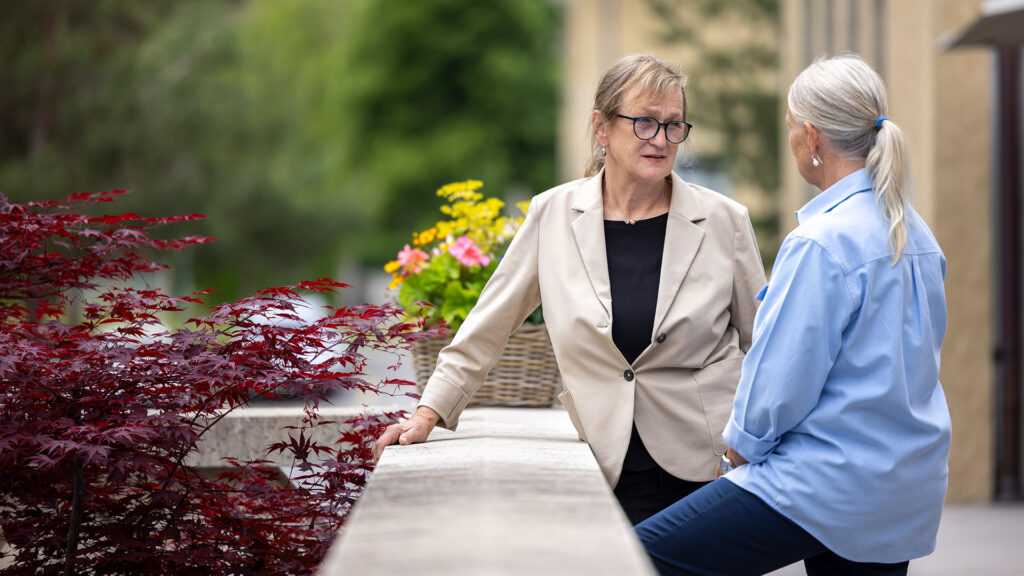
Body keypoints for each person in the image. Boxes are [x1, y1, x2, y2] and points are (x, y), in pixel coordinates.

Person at [373, 54, 766, 525]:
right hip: (608, 464)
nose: (661, 139)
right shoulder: (552, 215)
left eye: (673, 125)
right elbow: (488, 323)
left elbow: (765, 345)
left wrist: (750, 443)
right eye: (644, 122)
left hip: (710, 466)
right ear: (602, 128)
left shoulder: (726, 220)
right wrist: (428, 412)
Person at [634, 53, 952, 575]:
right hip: (904, 490)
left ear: (812, 136)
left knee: (629, 556)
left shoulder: (821, 243)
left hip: (822, 486)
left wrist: (734, 457)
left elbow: (779, 386)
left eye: (789, 129)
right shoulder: (917, 234)